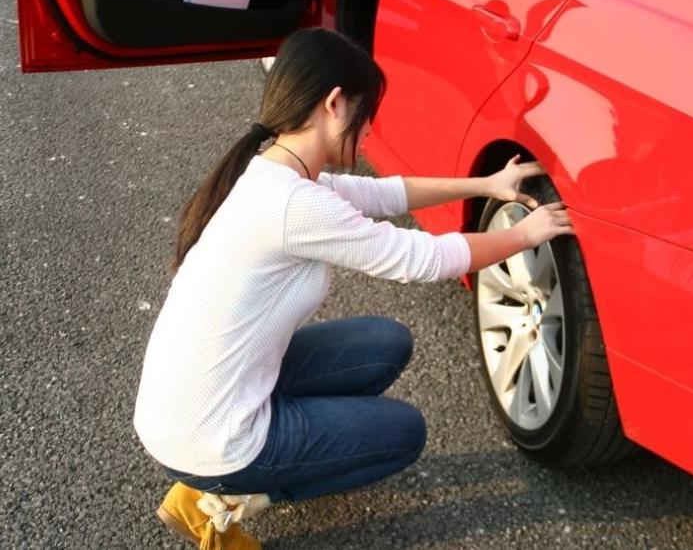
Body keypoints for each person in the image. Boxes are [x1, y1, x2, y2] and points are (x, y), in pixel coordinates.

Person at [133, 28, 574, 549]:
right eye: (366, 118)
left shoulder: (275, 171)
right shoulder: (294, 204)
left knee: (384, 343)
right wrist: (523, 234)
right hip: (210, 436)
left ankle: (233, 475)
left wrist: (484, 185)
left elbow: (383, 193)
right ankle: (225, 498)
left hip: (189, 404)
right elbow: (422, 258)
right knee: (403, 434)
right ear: (335, 103)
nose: (367, 134)